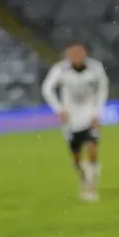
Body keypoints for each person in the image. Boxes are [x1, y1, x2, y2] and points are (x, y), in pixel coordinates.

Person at [41, 42, 109, 202]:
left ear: (85, 52)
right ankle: (84, 177)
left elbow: (103, 88)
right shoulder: (60, 69)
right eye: (73, 53)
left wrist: (97, 112)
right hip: (71, 118)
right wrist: (59, 110)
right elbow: (47, 88)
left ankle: (91, 187)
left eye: (79, 52)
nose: (76, 56)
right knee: (77, 157)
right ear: (67, 55)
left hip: (90, 114)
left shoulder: (95, 67)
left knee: (92, 149)